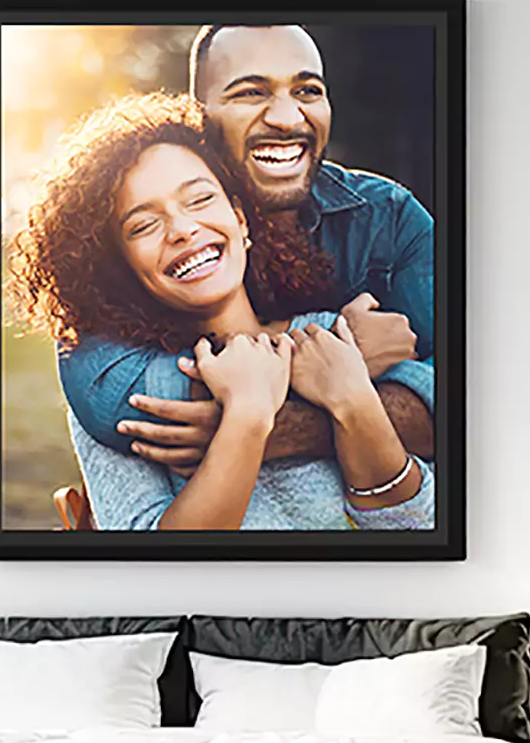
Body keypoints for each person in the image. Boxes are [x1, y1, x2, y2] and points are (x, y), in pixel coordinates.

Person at [9, 93, 433, 530]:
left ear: (241, 220)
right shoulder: (131, 404)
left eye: (199, 200)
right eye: (143, 225)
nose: (183, 229)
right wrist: (248, 416)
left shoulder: (333, 340)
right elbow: (148, 574)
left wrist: (353, 401)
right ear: (121, 266)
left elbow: (415, 530)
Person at [55, 23, 436, 477]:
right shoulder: (136, 219)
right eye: (251, 93)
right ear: (198, 116)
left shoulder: (386, 218)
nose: (289, 118)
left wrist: (289, 426)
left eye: (308, 90)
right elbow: (117, 398)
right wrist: (342, 354)